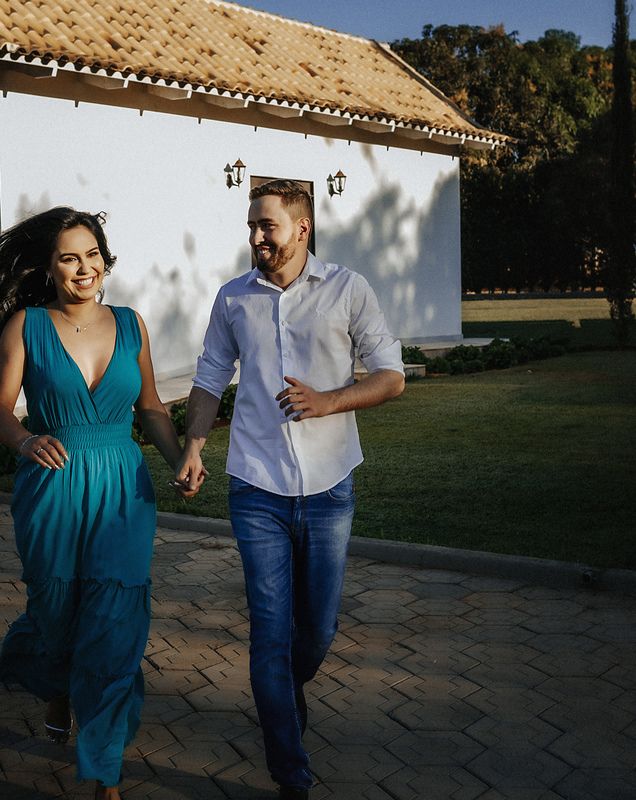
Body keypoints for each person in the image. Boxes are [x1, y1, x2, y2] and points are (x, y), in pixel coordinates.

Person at [174, 180, 406, 799]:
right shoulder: (233, 299)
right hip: (256, 487)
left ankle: (285, 686)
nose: (255, 238)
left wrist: (328, 400)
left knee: (318, 633)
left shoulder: (347, 289)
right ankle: (290, 772)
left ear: (301, 229)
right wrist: (195, 447)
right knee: (269, 632)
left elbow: (392, 376)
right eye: (252, 226)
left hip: (329, 488)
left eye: (267, 227)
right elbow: (208, 379)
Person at [0, 207, 185, 800]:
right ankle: (60, 688)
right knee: (60, 612)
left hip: (123, 489)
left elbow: (149, 407)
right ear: (50, 266)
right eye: (69, 257)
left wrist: (180, 461)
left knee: (116, 624)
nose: (84, 267)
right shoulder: (26, 325)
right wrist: (26, 439)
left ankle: (104, 769)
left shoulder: (131, 323)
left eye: (92, 254)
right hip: (53, 487)